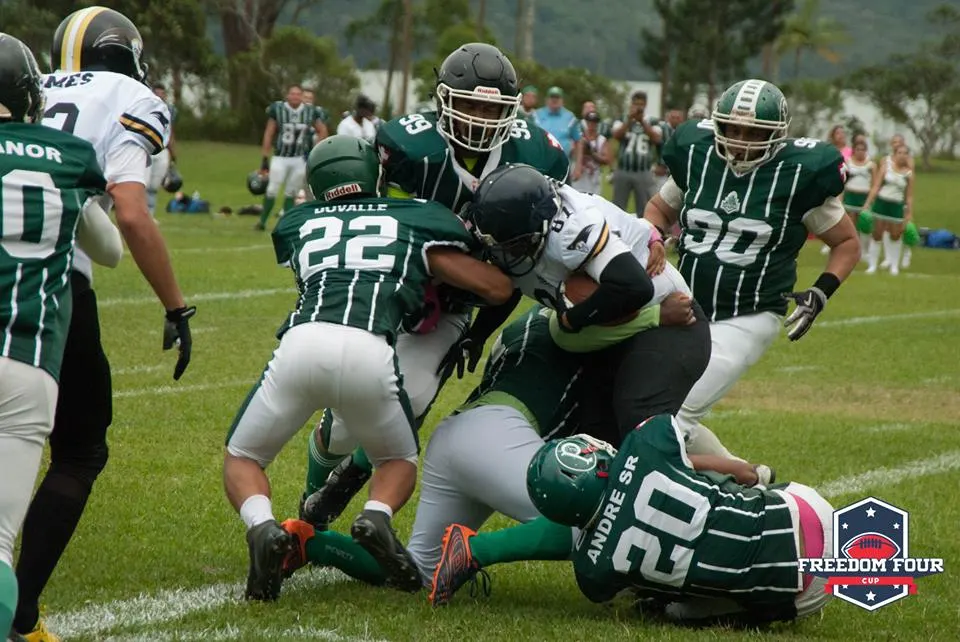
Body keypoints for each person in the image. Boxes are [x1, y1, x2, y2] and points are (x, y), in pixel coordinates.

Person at [223, 135, 514, 601]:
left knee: (243, 458)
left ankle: (262, 527)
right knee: (397, 461)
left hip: (302, 342)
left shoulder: (296, 220)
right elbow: (494, 287)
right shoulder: (417, 215)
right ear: (373, 174)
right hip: (371, 347)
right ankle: (376, 514)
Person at [299, 42, 569, 531]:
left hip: (451, 306)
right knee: (344, 418)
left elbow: (516, 273)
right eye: (470, 105)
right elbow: (387, 227)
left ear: (511, 110)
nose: (481, 118)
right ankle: (313, 493)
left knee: (412, 399)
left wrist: (479, 330)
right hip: (390, 288)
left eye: (493, 107)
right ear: (443, 101)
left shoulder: (536, 156)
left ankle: (348, 495)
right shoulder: (408, 148)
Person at [279, 301, 694, 586]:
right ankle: (474, 550)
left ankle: (304, 540)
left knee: (417, 571)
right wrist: (656, 313)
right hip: (495, 433)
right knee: (602, 521)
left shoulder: (538, 320)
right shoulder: (568, 322)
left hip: (463, 440)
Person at [13, 9, 196, 640]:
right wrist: (176, 306)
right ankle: (21, 611)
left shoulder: (30, 85)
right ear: (124, 52)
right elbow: (131, 211)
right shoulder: (133, 96)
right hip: (54, 282)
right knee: (80, 446)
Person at [430, 416, 832, 627]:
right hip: (809, 516)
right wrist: (750, 475)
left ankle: (475, 551)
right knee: (692, 455)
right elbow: (686, 451)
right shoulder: (646, 443)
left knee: (669, 608)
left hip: (799, 599)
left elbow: (604, 555)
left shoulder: (592, 571)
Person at [643, 79, 860, 460]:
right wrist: (654, 238)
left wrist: (821, 290)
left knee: (667, 420)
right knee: (645, 409)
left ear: (775, 134)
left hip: (748, 313)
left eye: (754, 131)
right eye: (733, 128)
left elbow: (847, 243)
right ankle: (742, 480)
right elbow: (658, 210)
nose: (741, 139)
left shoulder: (797, 174)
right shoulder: (697, 156)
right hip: (683, 306)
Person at [465, 164, 711, 445]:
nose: (505, 253)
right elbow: (510, 285)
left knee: (638, 429)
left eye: (513, 244)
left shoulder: (571, 230)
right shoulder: (517, 235)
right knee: (597, 436)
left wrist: (574, 318)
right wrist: (477, 334)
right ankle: (739, 472)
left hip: (673, 321)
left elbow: (634, 287)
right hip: (614, 332)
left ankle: (727, 480)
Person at [254, 84, 329, 231]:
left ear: (301, 96)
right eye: (292, 94)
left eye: (298, 94)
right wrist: (265, 157)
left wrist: (315, 150)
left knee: (292, 192)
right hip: (280, 156)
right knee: (272, 189)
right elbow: (269, 132)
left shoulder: (310, 111)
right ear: (287, 95)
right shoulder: (278, 109)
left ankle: (286, 224)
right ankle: (262, 222)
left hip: (299, 158)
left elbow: (323, 130)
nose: (295, 97)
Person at [862, 143, 913, 276]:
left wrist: (909, 213)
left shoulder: (909, 174)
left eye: (905, 153)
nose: (902, 156)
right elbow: (876, 186)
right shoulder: (886, 167)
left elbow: (909, 196)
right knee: (877, 233)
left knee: (895, 235)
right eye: (900, 153)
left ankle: (894, 266)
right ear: (895, 154)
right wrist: (868, 203)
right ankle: (872, 266)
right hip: (881, 203)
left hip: (896, 206)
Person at [611, 91, 663, 212]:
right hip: (624, 170)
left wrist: (643, 122)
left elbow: (657, 139)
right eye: (636, 104)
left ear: (645, 105)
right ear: (631, 104)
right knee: (617, 207)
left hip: (643, 171)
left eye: (641, 104)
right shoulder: (623, 119)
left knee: (645, 208)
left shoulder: (652, 121)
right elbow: (616, 135)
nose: (639, 107)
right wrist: (629, 120)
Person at [532, 87, 583, 182]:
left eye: (557, 97)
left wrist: (578, 166)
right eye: (552, 97)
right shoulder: (537, 115)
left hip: (562, 166)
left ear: (562, 100)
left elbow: (578, 141)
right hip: (540, 165)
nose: (554, 100)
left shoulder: (570, 117)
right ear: (547, 99)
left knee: (564, 194)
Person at [146, 83, 179, 216]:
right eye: (157, 93)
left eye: (162, 93)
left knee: (154, 185)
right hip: (147, 148)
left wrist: (173, 152)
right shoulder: (144, 105)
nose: (159, 96)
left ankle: (150, 215)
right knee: (144, 183)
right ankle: (143, 215)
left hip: (162, 150)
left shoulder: (169, 110)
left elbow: (170, 132)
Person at [842, 137, 877, 253]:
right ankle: (851, 248)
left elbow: (874, 185)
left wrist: (868, 202)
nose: (860, 152)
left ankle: (864, 249)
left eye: (863, 149)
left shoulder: (871, 165)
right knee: (851, 223)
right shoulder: (848, 162)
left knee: (864, 223)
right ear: (854, 150)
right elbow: (843, 181)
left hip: (864, 196)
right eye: (858, 149)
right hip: (850, 195)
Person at [570, 111, 610, 194]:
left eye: (594, 122)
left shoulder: (601, 140)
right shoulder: (578, 137)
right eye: (590, 122)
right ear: (586, 122)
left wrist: (592, 153)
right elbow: (571, 153)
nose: (592, 124)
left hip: (594, 178)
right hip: (580, 178)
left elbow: (606, 160)